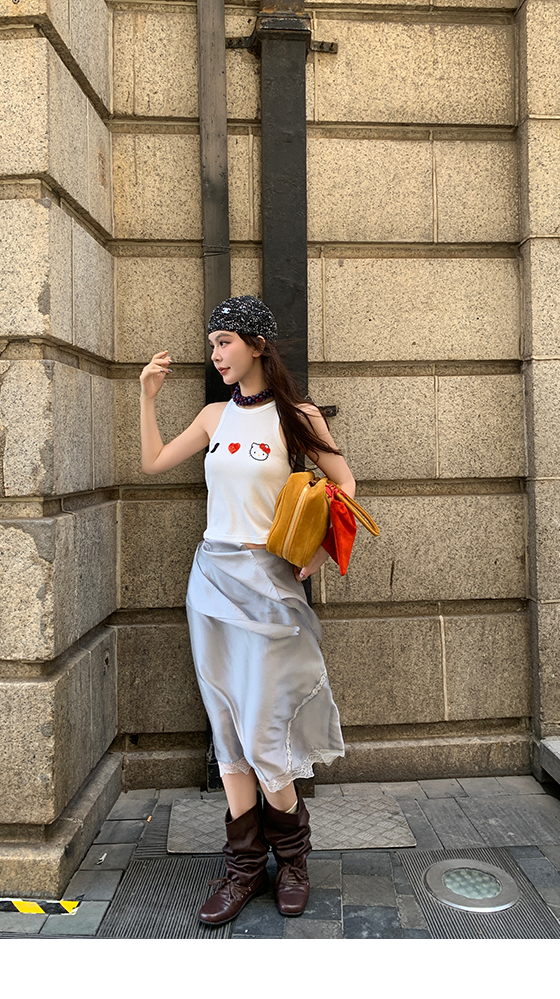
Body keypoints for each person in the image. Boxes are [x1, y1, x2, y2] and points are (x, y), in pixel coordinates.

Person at [139, 295, 353, 925]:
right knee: (227, 722)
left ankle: (293, 860)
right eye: (212, 344)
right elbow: (153, 462)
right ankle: (244, 868)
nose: (215, 354)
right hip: (211, 581)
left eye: (225, 342)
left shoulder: (297, 416)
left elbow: (345, 486)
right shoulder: (213, 416)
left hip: (269, 583)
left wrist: (317, 555)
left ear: (257, 344)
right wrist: (147, 398)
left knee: (263, 725)